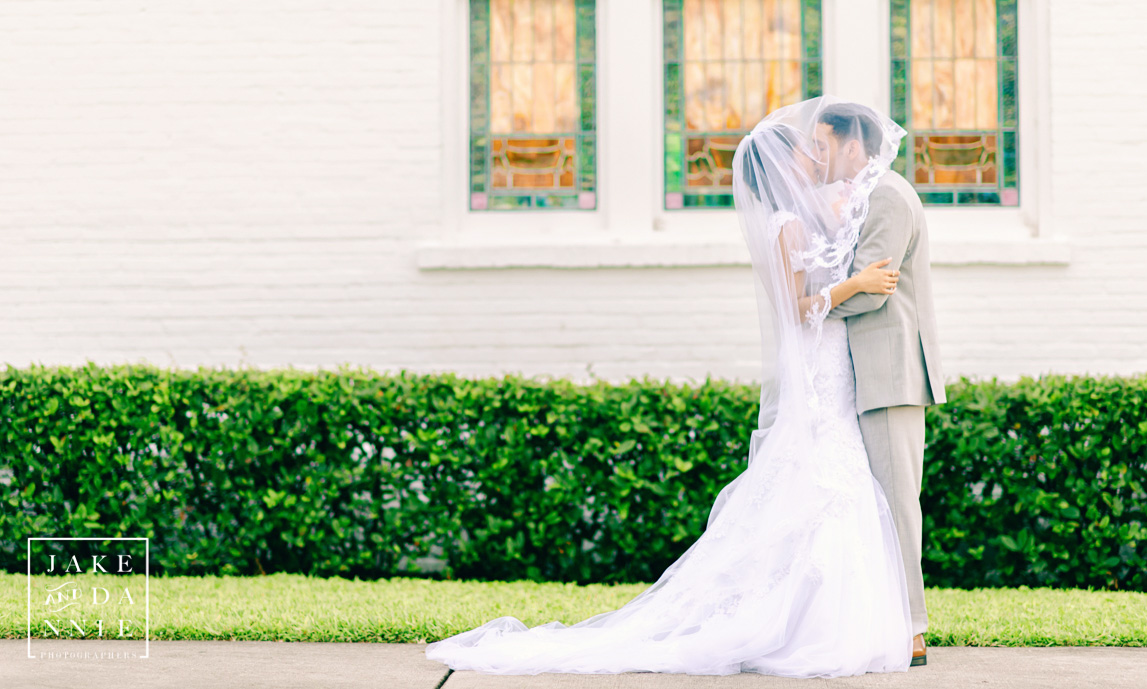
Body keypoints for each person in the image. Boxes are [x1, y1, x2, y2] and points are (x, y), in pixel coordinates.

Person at [424, 96, 918, 677]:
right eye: (805, 152)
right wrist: (852, 282)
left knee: (838, 487)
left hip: (835, 367)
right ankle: (803, 626)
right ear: (783, 169)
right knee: (823, 485)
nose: (815, 157)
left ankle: (833, 620)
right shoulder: (783, 227)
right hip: (819, 362)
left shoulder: (815, 215)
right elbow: (799, 308)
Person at [814, 102, 947, 666]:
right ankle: (884, 620)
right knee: (876, 507)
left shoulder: (888, 195)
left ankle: (912, 630)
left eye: (824, 145)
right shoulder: (864, 196)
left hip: (891, 373)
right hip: (867, 372)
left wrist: (815, 308)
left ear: (852, 145)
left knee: (897, 505)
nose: (818, 157)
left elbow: (874, 289)